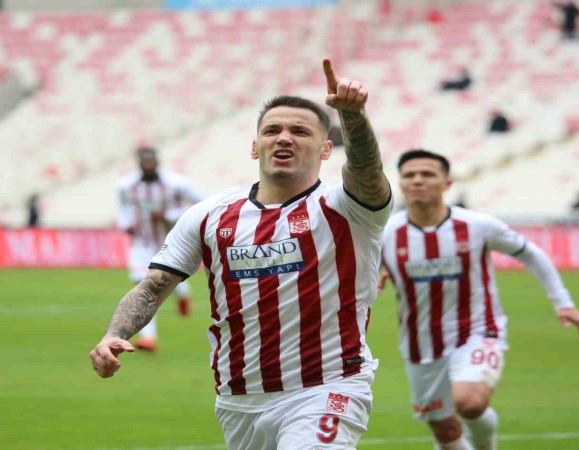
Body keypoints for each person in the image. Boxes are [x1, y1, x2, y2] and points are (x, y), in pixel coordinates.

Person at [90, 59, 392, 450]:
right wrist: (114, 335)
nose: (284, 138)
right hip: (239, 397)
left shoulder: (347, 207)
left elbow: (367, 172)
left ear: (326, 149)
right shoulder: (208, 215)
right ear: (254, 146)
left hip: (327, 385)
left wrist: (352, 116)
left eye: (300, 131)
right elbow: (152, 287)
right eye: (272, 130)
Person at [381, 149, 579, 450]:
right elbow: (360, 273)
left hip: (478, 330)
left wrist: (563, 302)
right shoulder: (386, 233)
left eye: (427, 174)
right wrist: (373, 277)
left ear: (447, 183)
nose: (417, 181)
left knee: (469, 402)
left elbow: (531, 253)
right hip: (420, 342)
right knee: (444, 428)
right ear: (400, 183)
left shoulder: (477, 225)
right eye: (409, 175)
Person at [115, 146, 204, 352]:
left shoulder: (177, 183)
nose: (148, 164)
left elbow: (201, 204)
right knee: (142, 282)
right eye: (144, 161)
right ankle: (148, 338)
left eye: (150, 161)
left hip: (171, 240)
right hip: (142, 242)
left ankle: (182, 292)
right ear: (139, 163)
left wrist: (168, 214)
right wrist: (126, 224)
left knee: (167, 278)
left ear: (156, 161)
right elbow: (123, 207)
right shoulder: (126, 185)